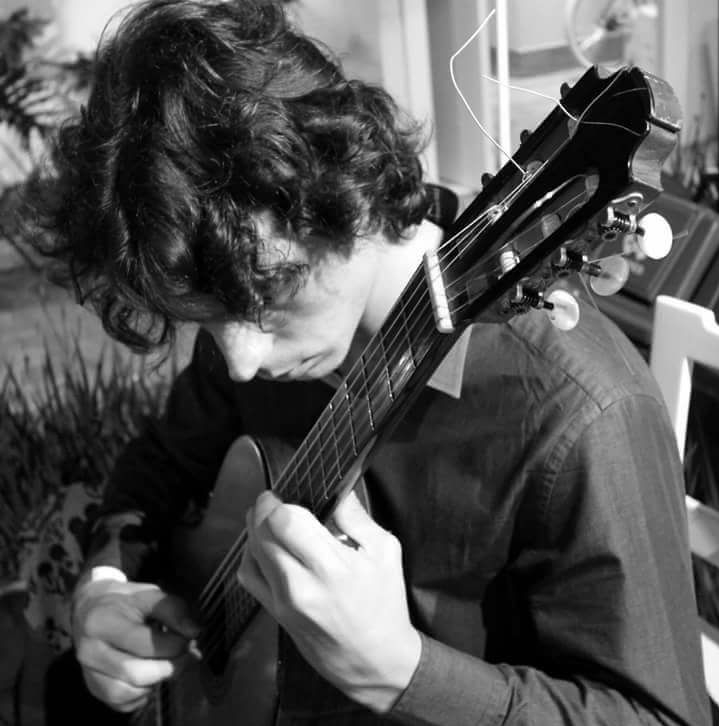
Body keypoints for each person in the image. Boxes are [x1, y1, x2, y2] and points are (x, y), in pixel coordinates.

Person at [35, 0, 710, 724]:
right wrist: (105, 583)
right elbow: (161, 466)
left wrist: (404, 674)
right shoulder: (235, 286)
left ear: (349, 198)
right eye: (205, 319)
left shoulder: (583, 416)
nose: (240, 361)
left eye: (270, 298)